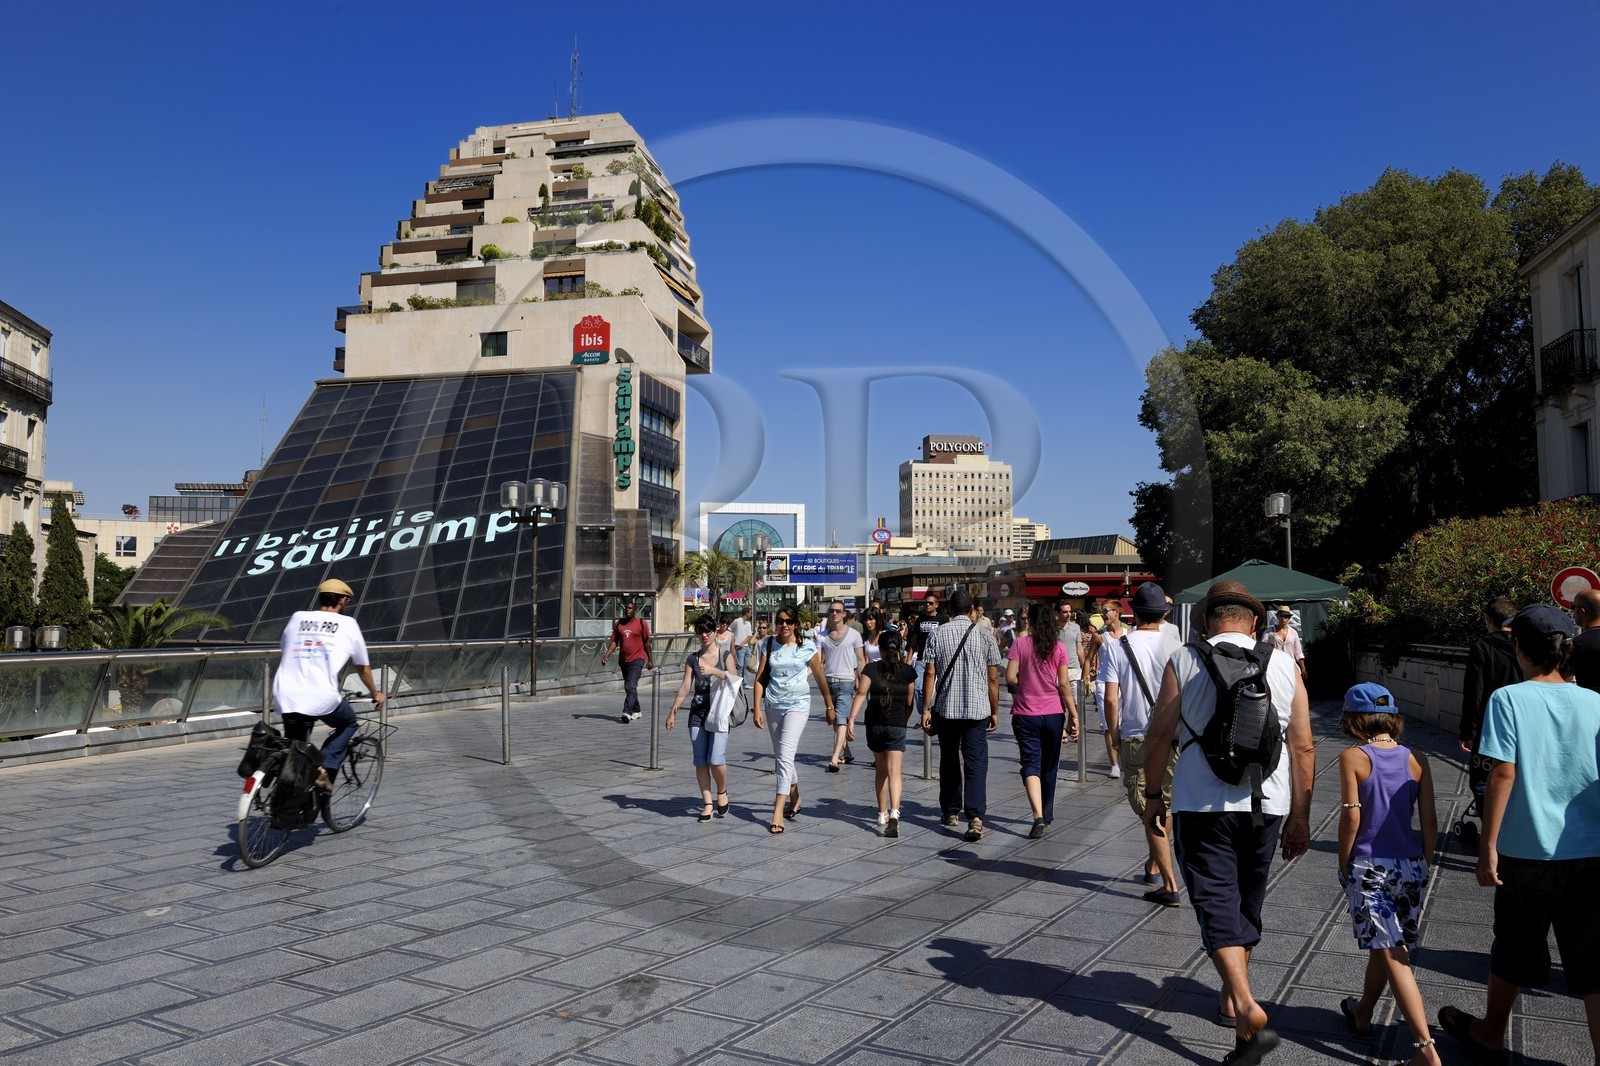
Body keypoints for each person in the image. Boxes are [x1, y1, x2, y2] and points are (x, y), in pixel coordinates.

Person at [1142, 580, 1314, 1064]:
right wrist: (1300, 815)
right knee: (1246, 901)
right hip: (1269, 801)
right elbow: (1303, 744)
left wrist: (1155, 796)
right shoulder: (1282, 662)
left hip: (1201, 802)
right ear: (1254, 622)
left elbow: (1159, 736)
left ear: (1206, 621)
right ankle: (1233, 1006)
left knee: (1216, 901)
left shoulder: (1186, 659)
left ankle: (1244, 1003)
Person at [1439, 605, 1600, 1065]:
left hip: (1527, 848)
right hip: (1591, 848)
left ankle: (1490, 1033)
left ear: (1516, 648)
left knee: (1514, 943)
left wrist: (1487, 844)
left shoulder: (1509, 699)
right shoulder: (1596, 701)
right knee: (1593, 964)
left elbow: (1503, 774)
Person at [1334, 683, 1439, 1066]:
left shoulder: (1353, 758)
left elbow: (1351, 816)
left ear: (1353, 721)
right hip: (1410, 866)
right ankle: (1363, 1012)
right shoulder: (1419, 758)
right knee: (1388, 944)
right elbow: (1428, 820)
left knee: (1394, 953)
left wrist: (1344, 862)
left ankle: (1424, 1050)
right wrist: (1424, 862)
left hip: (1371, 866)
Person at [1100, 582, 1183, 904]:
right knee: (1166, 801)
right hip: (1174, 734)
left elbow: (1110, 698)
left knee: (1148, 808)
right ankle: (1153, 862)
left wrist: (1114, 734)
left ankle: (1171, 884)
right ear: (1163, 612)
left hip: (1136, 737)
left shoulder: (1117, 647)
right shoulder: (1177, 647)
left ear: (1133, 612)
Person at [274, 578, 387, 791]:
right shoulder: (348, 624)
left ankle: (285, 802)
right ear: (343, 600)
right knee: (348, 723)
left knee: (295, 748)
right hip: (320, 695)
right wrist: (376, 693)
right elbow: (362, 668)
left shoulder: (298, 617)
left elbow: (285, 649)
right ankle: (323, 767)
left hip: (285, 693)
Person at [922, 588, 1002, 842]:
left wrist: (926, 708)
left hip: (946, 708)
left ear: (948, 610)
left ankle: (950, 811)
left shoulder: (937, 634)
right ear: (971, 610)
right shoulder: (986, 636)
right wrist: (995, 711)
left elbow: (930, 674)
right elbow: (993, 678)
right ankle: (976, 817)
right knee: (976, 763)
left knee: (949, 760)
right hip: (978, 709)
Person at [751, 607, 834, 834]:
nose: (784, 625)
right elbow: (760, 678)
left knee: (785, 755)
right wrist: (756, 707)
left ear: (796, 624)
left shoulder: (806, 646)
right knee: (782, 756)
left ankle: (778, 810)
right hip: (772, 705)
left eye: (789, 621)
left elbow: (819, 676)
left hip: (798, 705)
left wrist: (829, 706)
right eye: (780, 621)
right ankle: (795, 797)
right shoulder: (768, 644)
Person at [1006, 601, 1079, 838]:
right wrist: (1074, 714)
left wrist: (1026, 684)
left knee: (1030, 763)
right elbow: (1064, 684)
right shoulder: (1058, 648)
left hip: (1026, 713)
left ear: (1032, 622)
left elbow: (1009, 676)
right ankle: (1047, 814)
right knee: (1049, 765)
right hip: (1054, 713)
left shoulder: (1019, 644)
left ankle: (1037, 815)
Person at [1455, 596, 1519, 845]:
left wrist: (1467, 730)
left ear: (1488, 619)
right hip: (1523, 724)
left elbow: (1474, 692)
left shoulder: (1482, 647)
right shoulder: (1524, 646)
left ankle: (1494, 832)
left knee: (1482, 780)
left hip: (1490, 726)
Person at [664, 613, 737, 822]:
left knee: (716, 759)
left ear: (714, 632)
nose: (704, 635)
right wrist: (673, 711)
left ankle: (721, 791)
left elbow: (735, 680)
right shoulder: (692, 659)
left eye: (708, 631)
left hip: (720, 712)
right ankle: (707, 803)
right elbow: (686, 686)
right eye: (700, 631)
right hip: (698, 712)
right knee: (700, 761)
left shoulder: (725, 656)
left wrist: (716, 671)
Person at [847, 628, 917, 837]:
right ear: (899, 648)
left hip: (875, 725)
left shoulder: (870, 669)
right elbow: (910, 702)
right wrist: (902, 720)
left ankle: (881, 813)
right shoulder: (908, 672)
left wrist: (851, 721)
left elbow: (861, 694)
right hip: (897, 724)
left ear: (880, 648)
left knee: (881, 771)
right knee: (895, 771)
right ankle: (895, 814)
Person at [819, 599, 866, 771]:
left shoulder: (854, 635)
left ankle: (834, 758)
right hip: (828, 682)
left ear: (844, 614)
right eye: (832, 611)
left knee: (840, 720)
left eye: (838, 611)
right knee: (835, 721)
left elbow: (861, 660)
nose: (834, 613)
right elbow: (818, 661)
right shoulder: (822, 637)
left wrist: (865, 680)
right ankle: (846, 752)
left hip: (846, 682)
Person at [601, 601, 653, 723]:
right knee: (629, 687)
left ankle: (627, 712)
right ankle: (637, 710)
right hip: (623, 660)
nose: (627, 610)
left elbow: (647, 642)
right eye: (626, 608)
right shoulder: (619, 624)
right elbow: (614, 642)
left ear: (635, 610)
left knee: (630, 685)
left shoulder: (642, 623)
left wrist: (650, 659)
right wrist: (606, 655)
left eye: (630, 608)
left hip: (638, 659)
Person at [1090, 600, 1124, 779]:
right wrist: (1086, 681)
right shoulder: (1099, 636)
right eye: (1101, 611)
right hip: (1104, 683)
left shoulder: (1129, 634)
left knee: (1125, 723)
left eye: (1105, 611)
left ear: (1117, 613)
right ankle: (1114, 764)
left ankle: (1126, 758)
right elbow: (1088, 659)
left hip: (1125, 683)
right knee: (1108, 726)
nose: (1102, 614)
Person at [1265, 606, 1306, 679]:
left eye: (1286, 616)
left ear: (1289, 618)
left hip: (1290, 666)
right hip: (1275, 667)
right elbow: (1263, 650)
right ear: (1277, 617)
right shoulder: (1269, 632)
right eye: (1281, 616)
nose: (1283, 618)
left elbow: (1298, 652)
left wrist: (1303, 667)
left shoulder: (1293, 633)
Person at [1572, 588, 1600, 693]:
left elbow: (1563, 677)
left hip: (1592, 706)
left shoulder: (1578, 643)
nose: (1573, 613)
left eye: (1573, 607)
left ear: (1581, 611)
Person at [729, 606, 754, 687]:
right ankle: (737, 682)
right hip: (739, 648)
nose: (751, 614)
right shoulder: (737, 621)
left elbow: (750, 635)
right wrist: (734, 642)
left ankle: (745, 683)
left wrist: (743, 643)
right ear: (746, 613)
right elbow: (729, 630)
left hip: (746, 647)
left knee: (746, 667)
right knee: (740, 666)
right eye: (750, 613)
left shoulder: (748, 623)